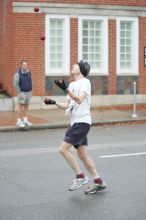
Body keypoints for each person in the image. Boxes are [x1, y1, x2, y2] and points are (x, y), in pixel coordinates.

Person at [44, 60, 107, 195]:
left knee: (62, 149)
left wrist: (65, 89)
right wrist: (53, 102)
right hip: (76, 122)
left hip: (82, 122)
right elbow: (67, 105)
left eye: (76, 64)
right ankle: (98, 181)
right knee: (82, 154)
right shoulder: (72, 84)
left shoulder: (85, 82)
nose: (73, 65)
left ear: (82, 69)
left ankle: (80, 177)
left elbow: (79, 99)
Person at [13, 60, 33, 128]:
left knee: (26, 107)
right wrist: (19, 91)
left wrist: (31, 89)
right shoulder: (17, 73)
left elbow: (30, 80)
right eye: (24, 64)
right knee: (21, 107)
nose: (25, 66)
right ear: (21, 65)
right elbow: (15, 84)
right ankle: (19, 121)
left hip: (29, 92)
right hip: (22, 92)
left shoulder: (29, 72)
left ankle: (25, 120)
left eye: (26, 64)